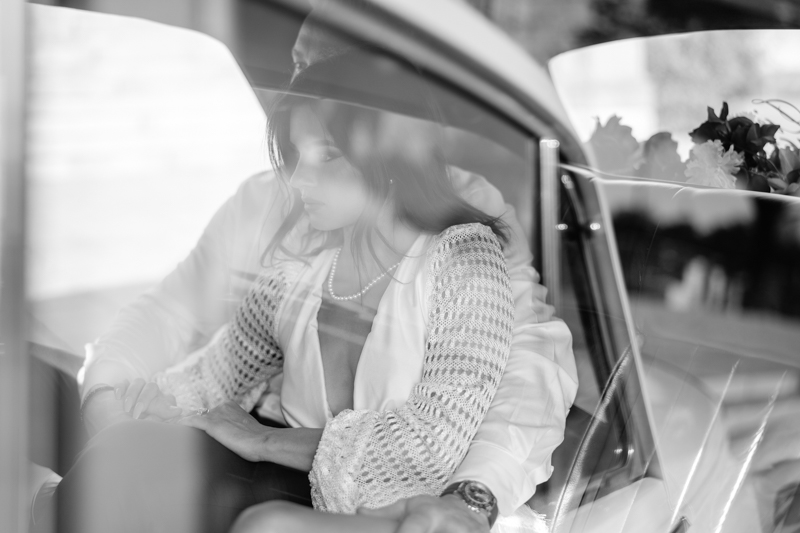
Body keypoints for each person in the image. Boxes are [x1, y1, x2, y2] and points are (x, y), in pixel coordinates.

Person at [67, 14, 577, 533]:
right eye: (298, 67)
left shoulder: (464, 250)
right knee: (123, 450)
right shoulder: (301, 246)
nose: (303, 88)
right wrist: (125, 397)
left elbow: (502, 390)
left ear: (384, 128)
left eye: (328, 70)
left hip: (379, 506)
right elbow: (205, 357)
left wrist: (472, 499)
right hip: (276, 471)